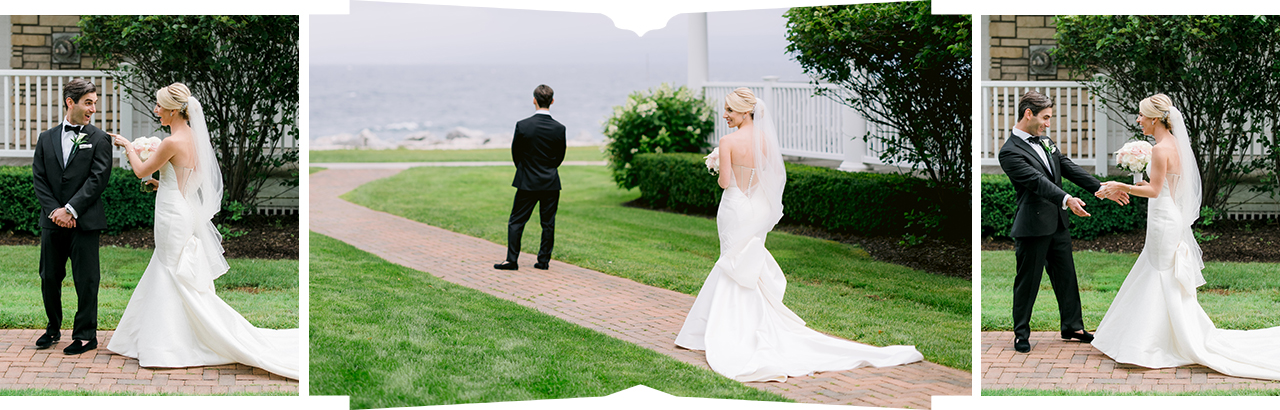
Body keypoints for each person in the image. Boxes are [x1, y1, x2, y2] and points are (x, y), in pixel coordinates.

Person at [673, 88, 922, 382]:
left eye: (729, 110)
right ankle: (736, 325)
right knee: (743, 260)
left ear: (744, 111)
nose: (725, 115)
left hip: (734, 207)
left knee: (732, 260)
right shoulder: (764, 139)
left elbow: (726, 182)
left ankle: (725, 330)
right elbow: (768, 176)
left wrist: (717, 165)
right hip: (754, 207)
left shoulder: (728, 141)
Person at [105, 83, 298, 379]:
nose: (156, 111)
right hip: (182, 207)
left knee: (170, 269)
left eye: (159, 106)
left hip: (171, 212)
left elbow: (142, 170)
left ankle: (170, 344)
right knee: (170, 267)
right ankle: (158, 337)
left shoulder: (170, 143)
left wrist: (129, 147)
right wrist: (163, 184)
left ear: (172, 110)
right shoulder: (194, 138)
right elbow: (186, 179)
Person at [1091, 94, 1280, 380]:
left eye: (1141, 116)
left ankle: (1154, 343)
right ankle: (1147, 337)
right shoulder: (1175, 144)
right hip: (1169, 216)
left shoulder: (1158, 149)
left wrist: (1120, 184)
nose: (1138, 120)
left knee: (1160, 274)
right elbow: (1164, 184)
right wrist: (1138, 183)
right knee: (1157, 271)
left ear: (1155, 119)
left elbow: (1155, 191)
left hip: (1163, 218)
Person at [997, 90, 1129, 353]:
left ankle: (1072, 326)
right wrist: (1067, 199)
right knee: (1028, 281)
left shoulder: (1044, 140)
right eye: (1045, 118)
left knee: (1066, 276)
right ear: (1028, 114)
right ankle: (1021, 333)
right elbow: (1038, 183)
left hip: (1057, 223)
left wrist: (1101, 188)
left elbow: (1067, 166)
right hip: (1032, 226)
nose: (1048, 124)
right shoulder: (1009, 152)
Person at [32, 79, 113, 355]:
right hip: (52, 221)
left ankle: (85, 335)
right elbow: (39, 179)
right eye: (88, 102)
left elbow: (98, 179)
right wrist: (55, 211)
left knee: (86, 279)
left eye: (94, 103)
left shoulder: (100, 139)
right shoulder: (46, 138)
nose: (92, 109)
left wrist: (71, 209)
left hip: (84, 221)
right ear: (70, 102)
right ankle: (52, 328)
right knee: (49, 277)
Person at [494, 84, 566, 271]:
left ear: (534, 100)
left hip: (527, 181)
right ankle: (543, 262)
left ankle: (512, 260)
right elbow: (559, 157)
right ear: (552, 101)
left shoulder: (523, 125)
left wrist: (525, 169)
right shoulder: (560, 128)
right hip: (550, 181)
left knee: (516, 221)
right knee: (548, 223)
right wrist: (548, 169)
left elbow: (516, 153)